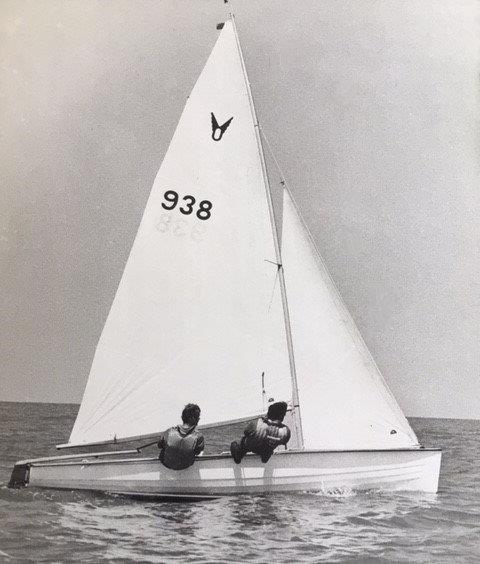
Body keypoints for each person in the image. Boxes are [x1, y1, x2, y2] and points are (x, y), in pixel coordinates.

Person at [157, 403, 205, 470]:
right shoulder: (199, 436)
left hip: (166, 465)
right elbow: (197, 452)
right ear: (194, 418)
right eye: (198, 417)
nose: (199, 419)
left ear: (182, 417)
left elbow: (159, 445)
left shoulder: (169, 431)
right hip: (185, 466)